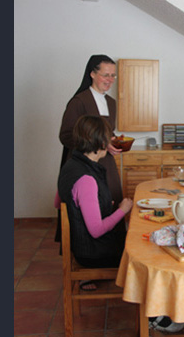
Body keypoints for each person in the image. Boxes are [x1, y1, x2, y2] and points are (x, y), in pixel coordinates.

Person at [57, 115, 133, 289]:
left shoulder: (70, 165)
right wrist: (123, 209)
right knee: (141, 248)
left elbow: (59, 202)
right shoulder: (87, 179)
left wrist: (96, 205)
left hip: (81, 246)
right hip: (93, 253)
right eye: (108, 138)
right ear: (101, 143)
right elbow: (97, 230)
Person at [56, 55, 124, 243]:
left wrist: (113, 141)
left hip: (106, 164)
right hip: (85, 166)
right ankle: (93, 248)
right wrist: (99, 142)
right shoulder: (79, 101)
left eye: (113, 75)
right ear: (92, 74)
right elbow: (65, 136)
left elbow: (106, 132)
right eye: (105, 75)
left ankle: (113, 246)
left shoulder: (111, 103)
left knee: (112, 201)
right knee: (92, 208)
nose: (110, 80)